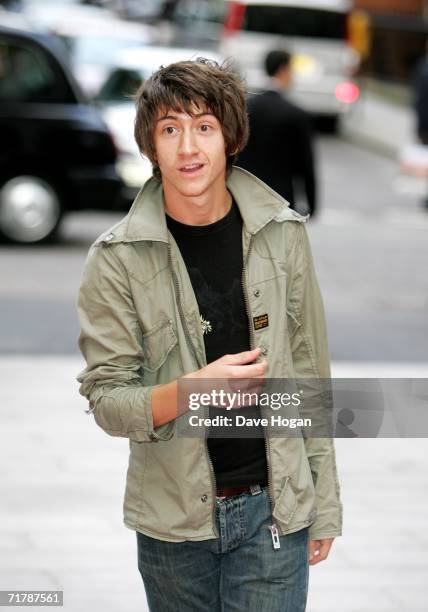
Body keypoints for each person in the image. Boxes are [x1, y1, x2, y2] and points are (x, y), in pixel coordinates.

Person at [77, 58, 342, 611]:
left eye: (204, 127)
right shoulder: (115, 259)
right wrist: (192, 390)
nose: (188, 147)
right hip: (173, 525)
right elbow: (107, 403)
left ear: (230, 137)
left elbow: (311, 370)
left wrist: (325, 503)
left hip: (274, 510)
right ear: (151, 145)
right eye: (170, 129)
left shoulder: (282, 235)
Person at [238, 49, 317, 216]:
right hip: (281, 201)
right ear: (284, 69)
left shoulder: (244, 109)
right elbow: (306, 166)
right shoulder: (297, 114)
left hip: (243, 197)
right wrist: (312, 205)